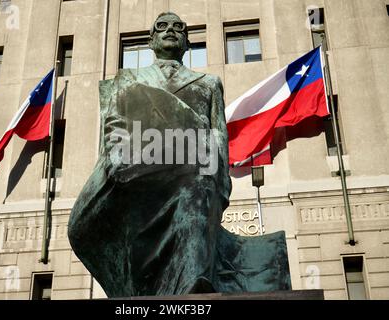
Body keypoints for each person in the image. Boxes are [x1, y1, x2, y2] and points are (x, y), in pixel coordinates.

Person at [68, 12, 291, 297]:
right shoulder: (128, 80)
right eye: (162, 27)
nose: (170, 30)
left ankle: (191, 285)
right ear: (151, 40)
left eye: (178, 28)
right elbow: (114, 128)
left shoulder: (208, 83)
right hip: (138, 177)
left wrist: (220, 183)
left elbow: (218, 135)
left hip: (190, 174)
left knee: (196, 190)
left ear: (187, 43)